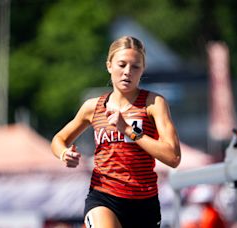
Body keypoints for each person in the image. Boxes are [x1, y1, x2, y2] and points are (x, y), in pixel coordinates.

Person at [51, 36, 181, 228]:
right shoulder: (93, 107)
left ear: (142, 70)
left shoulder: (153, 103)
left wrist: (129, 130)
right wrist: (64, 153)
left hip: (144, 201)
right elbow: (59, 139)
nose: (127, 72)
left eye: (135, 66)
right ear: (109, 66)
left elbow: (173, 157)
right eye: (122, 64)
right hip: (103, 196)